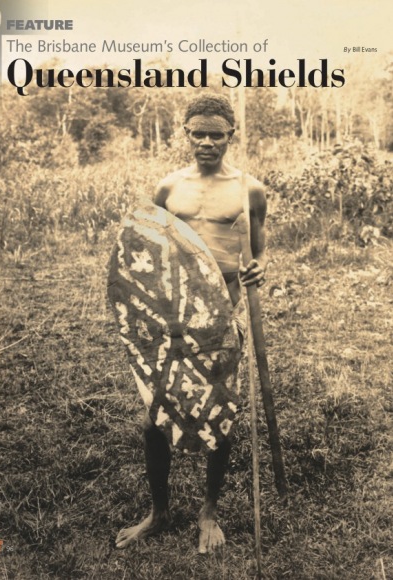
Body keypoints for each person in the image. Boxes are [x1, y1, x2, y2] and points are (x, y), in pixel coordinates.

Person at [116, 93, 267, 553]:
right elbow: (147, 249)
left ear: (230, 136)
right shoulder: (167, 188)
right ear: (186, 134)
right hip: (171, 319)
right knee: (154, 420)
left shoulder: (249, 190)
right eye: (197, 133)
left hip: (221, 317)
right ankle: (159, 512)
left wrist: (260, 266)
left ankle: (208, 512)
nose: (206, 142)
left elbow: (259, 249)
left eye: (215, 134)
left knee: (218, 417)